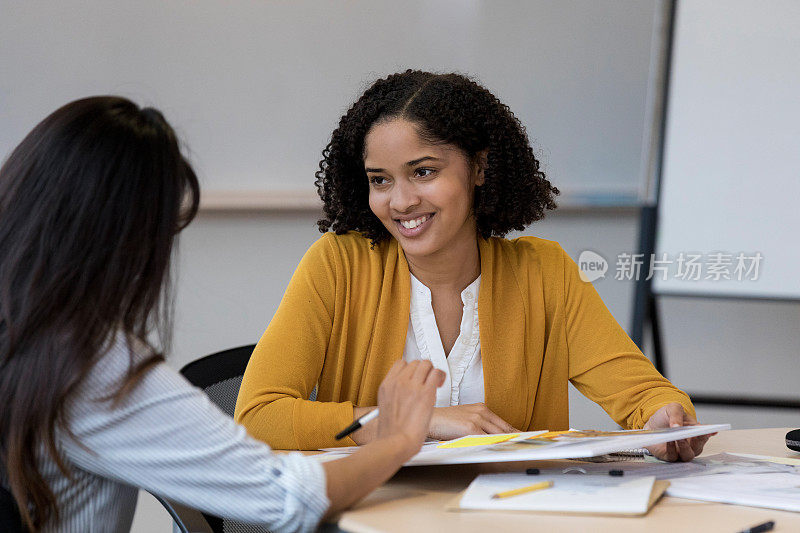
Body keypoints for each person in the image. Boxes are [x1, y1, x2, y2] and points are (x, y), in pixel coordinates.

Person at [0, 96, 445, 533]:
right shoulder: (94, 364)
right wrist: (398, 437)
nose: (403, 202)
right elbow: (288, 495)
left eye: (424, 172)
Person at [235, 70, 711, 462]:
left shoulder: (544, 272)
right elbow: (258, 417)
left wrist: (664, 418)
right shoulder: (338, 265)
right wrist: (410, 422)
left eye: (423, 172)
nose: (400, 201)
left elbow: (642, 394)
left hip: (507, 516)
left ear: (479, 168)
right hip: (373, 515)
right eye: (380, 180)